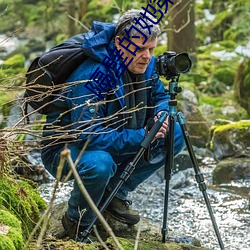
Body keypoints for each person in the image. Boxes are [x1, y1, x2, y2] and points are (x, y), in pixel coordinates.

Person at [41, 9, 185, 241]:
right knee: (100, 164)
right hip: (67, 150)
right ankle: (76, 221)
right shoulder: (93, 76)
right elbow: (87, 135)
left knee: (175, 132)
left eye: (151, 49)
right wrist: (142, 135)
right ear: (119, 43)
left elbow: (159, 96)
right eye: (139, 49)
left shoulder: (145, 64)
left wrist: (161, 114)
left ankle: (115, 193)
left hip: (117, 136)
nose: (147, 56)